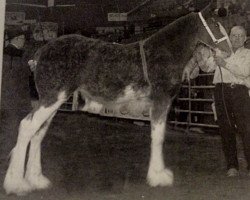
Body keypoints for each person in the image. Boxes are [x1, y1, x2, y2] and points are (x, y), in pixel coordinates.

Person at [213, 26, 250, 177]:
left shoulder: (248, 54)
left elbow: (245, 72)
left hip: (240, 92)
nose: (237, 38)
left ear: (246, 39)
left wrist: (224, 64)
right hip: (221, 91)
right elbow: (206, 66)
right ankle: (232, 166)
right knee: (225, 128)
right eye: (234, 35)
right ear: (228, 36)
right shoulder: (219, 52)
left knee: (246, 128)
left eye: (241, 36)